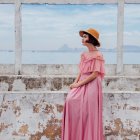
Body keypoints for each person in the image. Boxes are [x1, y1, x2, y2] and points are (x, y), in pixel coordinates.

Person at [61, 28, 105, 140]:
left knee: (89, 113)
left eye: (85, 36)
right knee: (70, 100)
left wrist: (78, 84)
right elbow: (81, 71)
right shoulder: (84, 54)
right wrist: (75, 83)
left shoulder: (98, 55)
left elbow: (95, 74)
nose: (82, 38)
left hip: (92, 85)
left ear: (91, 39)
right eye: (83, 36)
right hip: (82, 82)